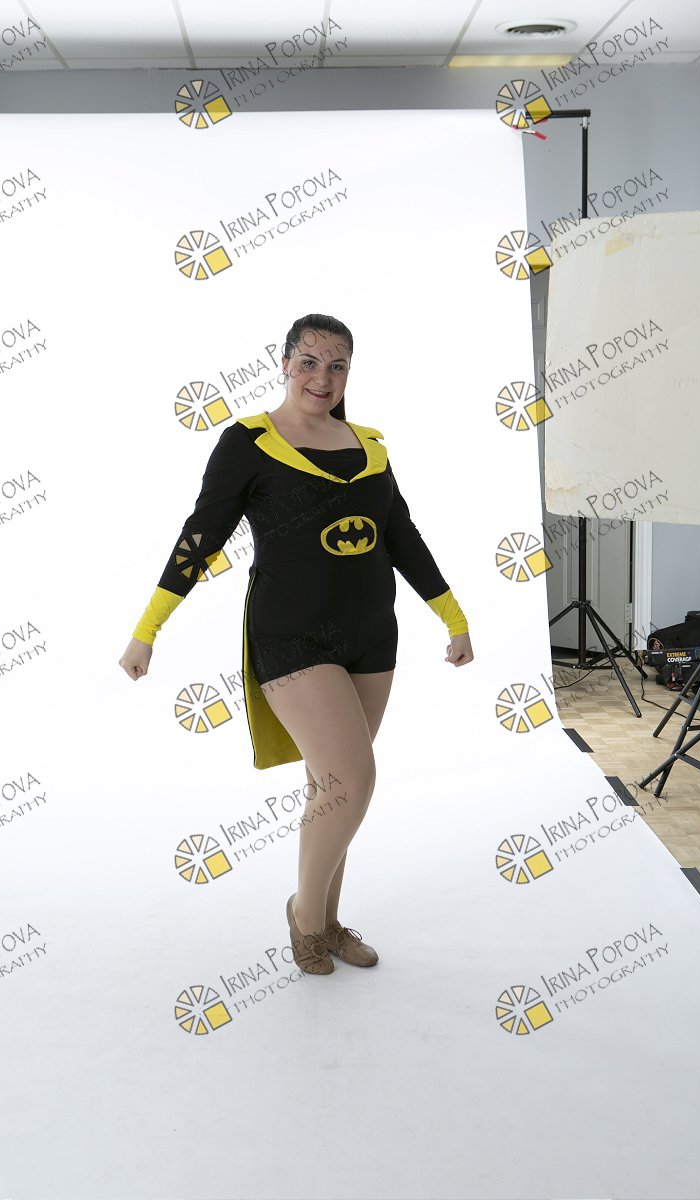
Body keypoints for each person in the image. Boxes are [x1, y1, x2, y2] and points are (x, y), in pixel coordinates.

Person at [119, 313, 474, 976]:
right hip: (290, 635)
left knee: (330, 788)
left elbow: (402, 537)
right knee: (353, 781)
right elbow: (200, 538)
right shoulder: (249, 442)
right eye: (309, 362)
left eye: (338, 365)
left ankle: (329, 919)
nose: (322, 377)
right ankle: (306, 920)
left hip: (373, 635)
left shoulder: (369, 445)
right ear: (284, 364)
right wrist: (148, 630)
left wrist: (453, 617)